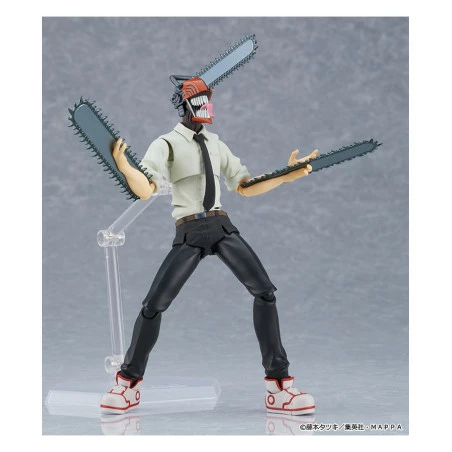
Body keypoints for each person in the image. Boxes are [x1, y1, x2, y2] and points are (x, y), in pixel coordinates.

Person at [100, 76, 318, 415]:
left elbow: (245, 185)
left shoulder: (216, 144)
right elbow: (146, 189)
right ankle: (127, 383)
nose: (207, 108)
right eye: (201, 101)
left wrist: (285, 176)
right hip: (190, 231)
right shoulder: (166, 144)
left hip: (221, 226)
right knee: (154, 305)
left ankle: (278, 385)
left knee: (265, 292)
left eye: (208, 101)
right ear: (186, 105)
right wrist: (126, 166)